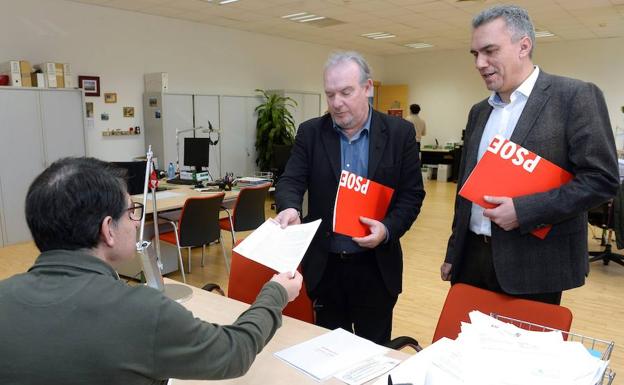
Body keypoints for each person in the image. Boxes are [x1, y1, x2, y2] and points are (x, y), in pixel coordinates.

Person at [0, 157, 303, 385]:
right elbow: (235, 352)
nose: (135, 222)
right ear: (108, 230)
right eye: (131, 211)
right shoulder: (139, 311)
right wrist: (275, 293)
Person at [442, 5, 619, 305]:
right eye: (474, 54)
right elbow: (465, 193)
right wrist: (454, 253)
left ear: (524, 45)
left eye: (489, 51)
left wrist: (524, 211)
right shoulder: (479, 112)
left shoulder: (574, 97)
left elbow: (600, 180)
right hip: (472, 260)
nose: (479, 63)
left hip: (534, 266)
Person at [275, 51, 425, 344]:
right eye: (330, 94)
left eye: (346, 92)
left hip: (376, 268)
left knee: (373, 354)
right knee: (328, 350)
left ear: (367, 88)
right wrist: (290, 207)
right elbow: (290, 180)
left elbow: (411, 195)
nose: (337, 103)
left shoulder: (399, 133)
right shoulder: (311, 133)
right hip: (326, 267)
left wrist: (387, 229)